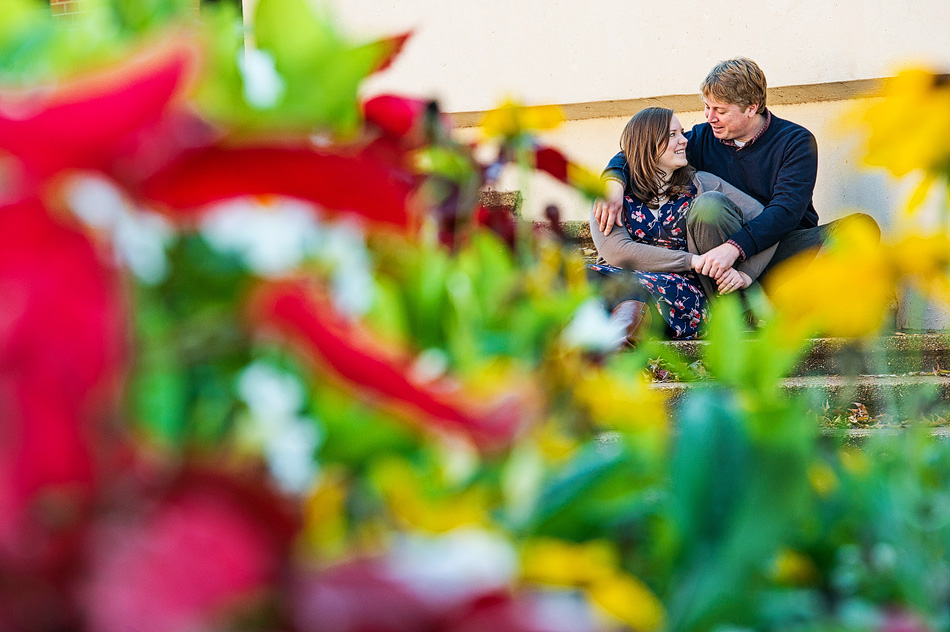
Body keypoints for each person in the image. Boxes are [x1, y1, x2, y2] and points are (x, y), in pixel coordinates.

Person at [594, 58, 876, 293]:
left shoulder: (795, 141)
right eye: (707, 106)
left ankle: (797, 301)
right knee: (709, 207)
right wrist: (613, 181)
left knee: (860, 228)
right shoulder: (704, 137)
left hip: (780, 250)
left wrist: (736, 248)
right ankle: (738, 308)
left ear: (752, 107)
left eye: (720, 110)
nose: (709, 117)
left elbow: (786, 211)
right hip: (717, 259)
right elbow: (646, 150)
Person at [589, 107, 776, 340]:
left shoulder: (702, 184)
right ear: (647, 143)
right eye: (672, 135)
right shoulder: (613, 196)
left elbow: (766, 224)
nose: (684, 141)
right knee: (587, 281)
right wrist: (691, 260)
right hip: (620, 280)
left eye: (682, 133)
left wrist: (746, 275)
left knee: (636, 291)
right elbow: (618, 252)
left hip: (681, 291)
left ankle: (614, 349)